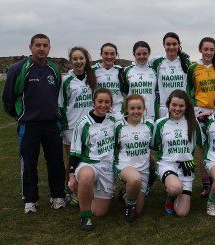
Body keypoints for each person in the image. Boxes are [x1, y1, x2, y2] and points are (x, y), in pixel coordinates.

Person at [2, 33, 66, 213]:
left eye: (45, 45)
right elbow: (8, 98)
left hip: (52, 124)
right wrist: (20, 115)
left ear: (49, 48)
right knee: (29, 163)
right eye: (38, 45)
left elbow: (56, 95)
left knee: (56, 162)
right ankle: (30, 200)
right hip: (29, 125)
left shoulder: (53, 69)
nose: (41, 48)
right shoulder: (19, 68)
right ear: (31, 47)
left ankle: (57, 196)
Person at [68, 88, 117, 231]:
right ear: (93, 102)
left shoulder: (114, 120)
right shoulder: (83, 123)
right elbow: (74, 152)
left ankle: (86, 194)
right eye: (100, 101)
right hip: (89, 163)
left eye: (107, 102)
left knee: (99, 212)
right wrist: (71, 175)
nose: (103, 105)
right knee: (86, 176)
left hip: (107, 168)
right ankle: (85, 215)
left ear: (111, 104)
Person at [186, 37, 215, 196]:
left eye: (211, 49)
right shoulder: (193, 68)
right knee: (203, 147)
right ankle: (206, 184)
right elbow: (189, 90)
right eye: (206, 49)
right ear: (200, 50)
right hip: (200, 111)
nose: (209, 52)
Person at [152, 89, 202, 217]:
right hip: (168, 165)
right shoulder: (160, 123)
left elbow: (202, 143)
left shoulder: (193, 123)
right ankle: (170, 196)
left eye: (181, 105)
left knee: (182, 212)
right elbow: (154, 146)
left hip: (187, 167)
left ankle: (176, 193)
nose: (177, 108)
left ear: (186, 107)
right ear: (168, 105)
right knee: (175, 188)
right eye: (174, 105)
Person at [58, 47, 96, 205]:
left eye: (81, 58)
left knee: (89, 157)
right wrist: (64, 127)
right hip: (72, 127)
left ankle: (88, 188)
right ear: (70, 61)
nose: (78, 61)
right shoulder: (65, 80)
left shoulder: (91, 78)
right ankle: (70, 190)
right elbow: (60, 105)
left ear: (86, 59)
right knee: (72, 160)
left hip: (90, 125)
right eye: (75, 59)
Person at [114, 94, 154, 222]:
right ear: (126, 109)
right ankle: (129, 206)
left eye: (139, 108)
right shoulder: (118, 126)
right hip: (125, 166)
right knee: (134, 179)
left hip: (143, 169)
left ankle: (126, 194)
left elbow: (154, 145)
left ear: (144, 109)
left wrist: (152, 160)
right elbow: (114, 147)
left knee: (139, 210)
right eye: (132, 108)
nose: (136, 111)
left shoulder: (149, 124)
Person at [151, 32, 191, 118]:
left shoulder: (186, 62)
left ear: (179, 44)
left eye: (174, 44)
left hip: (182, 106)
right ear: (163, 45)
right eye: (168, 44)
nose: (171, 47)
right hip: (164, 107)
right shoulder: (157, 61)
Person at [123, 41, 159, 121]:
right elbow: (125, 90)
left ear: (149, 53)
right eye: (138, 54)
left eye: (144, 53)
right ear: (134, 54)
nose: (141, 56)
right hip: (133, 111)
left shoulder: (155, 70)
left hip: (151, 112)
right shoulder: (127, 70)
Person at [92, 43, 124, 117]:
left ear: (116, 55)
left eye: (112, 54)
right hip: (100, 110)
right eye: (106, 54)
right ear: (101, 54)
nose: (109, 57)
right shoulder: (93, 70)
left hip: (117, 110)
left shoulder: (120, 70)